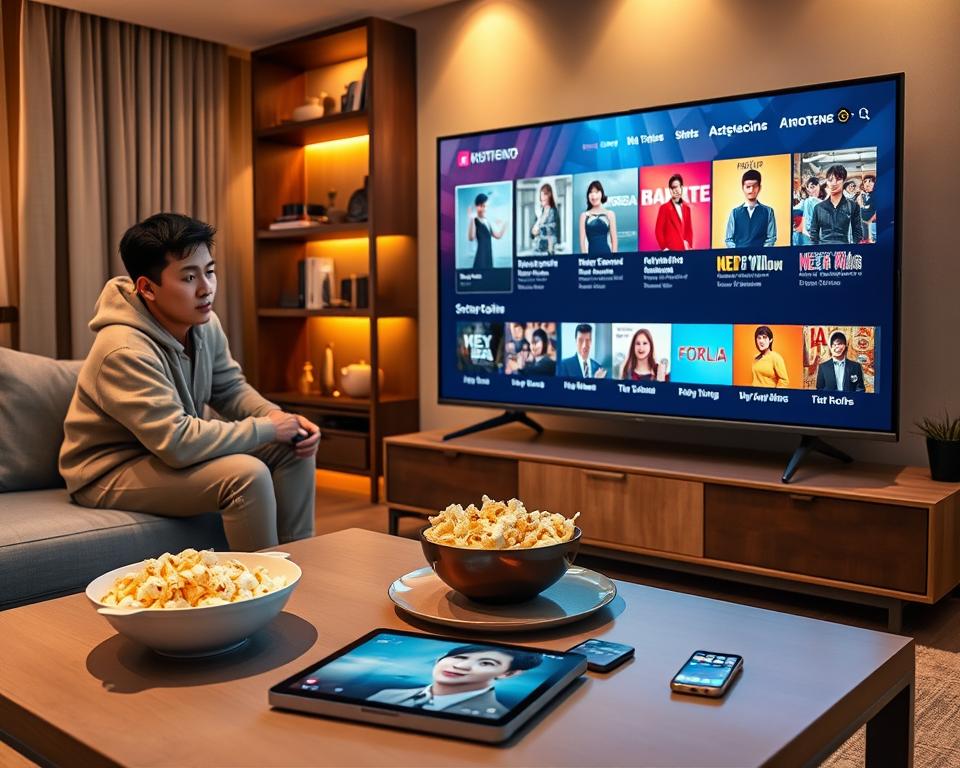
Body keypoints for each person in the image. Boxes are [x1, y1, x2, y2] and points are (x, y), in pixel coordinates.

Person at [59, 213, 320, 551]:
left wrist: (283, 421)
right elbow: (178, 443)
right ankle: (259, 589)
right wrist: (269, 428)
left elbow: (229, 388)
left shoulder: (204, 323)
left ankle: (304, 564)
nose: (206, 288)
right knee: (246, 475)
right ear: (147, 288)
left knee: (294, 447)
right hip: (109, 471)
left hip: (163, 454)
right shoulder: (122, 349)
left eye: (210, 272)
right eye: (189, 277)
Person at [367, 645, 543, 717]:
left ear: (508, 673)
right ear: (440, 659)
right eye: (460, 657)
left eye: (486, 663)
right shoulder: (388, 695)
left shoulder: (496, 716)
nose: (461, 666)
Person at [810, 164, 863, 245]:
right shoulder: (818, 208)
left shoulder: (853, 206)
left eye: (838, 179)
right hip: (823, 252)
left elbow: (857, 234)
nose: (834, 183)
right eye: (830, 180)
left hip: (844, 250)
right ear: (827, 182)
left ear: (844, 181)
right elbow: (814, 235)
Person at [724, 169, 777, 248]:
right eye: (748, 187)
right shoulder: (735, 213)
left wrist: (761, 254)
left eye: (754, 186)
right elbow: (729, 239)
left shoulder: (768, 211)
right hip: (739, 258)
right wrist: (738, 253)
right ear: (743, 188)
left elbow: (771, 238)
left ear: (759, 188)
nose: (751, 190)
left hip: (760, 258)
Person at [466, 193, 507, 269]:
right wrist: (471, 218)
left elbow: (498, 236)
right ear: (478, 207)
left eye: (486, 206)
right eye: (483, 206)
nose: (485, 209)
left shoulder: (487, 221)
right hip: (481, 258)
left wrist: (506, 223)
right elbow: (471, 237)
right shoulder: (475, 221)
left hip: (488, 257)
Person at [654, 174, 694, 251]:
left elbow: (689, 230)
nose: (675, 190)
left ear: (681, 187)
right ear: (670, 190)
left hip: (684, 252)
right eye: (672, 188)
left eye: (677, 187)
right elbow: (658, 231)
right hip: (671, 253)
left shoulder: (687, 208)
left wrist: (690, 246)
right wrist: (664, 248)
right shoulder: (664, 208)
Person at [579, 180, 618, 254]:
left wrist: (614, 260)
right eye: (591, 192)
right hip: (590, 259)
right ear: (588, 196)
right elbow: (582, 244)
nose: (593, 195)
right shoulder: (584, 216)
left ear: (601, 193)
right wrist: (585, 260)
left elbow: (614, 241)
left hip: (607, 257)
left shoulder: (610, 214)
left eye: (596, 192)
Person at [531, 183, 561, 254]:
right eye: (541, 195)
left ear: (549, 195)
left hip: (547, 251)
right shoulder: (539, 212)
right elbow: (532, 233)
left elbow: (553, 231)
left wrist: (540, 229)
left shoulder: (553, 212)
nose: (542, 198)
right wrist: (539, 220)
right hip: (537, 250)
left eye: (544, 195)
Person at [797, 176, 822, 245]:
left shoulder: (817, 201)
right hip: (809, 234)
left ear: (819, 186)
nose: (812, 190)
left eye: (813, 187)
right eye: (810, 187)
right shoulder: (808, 201)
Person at [859, 175, 876, 243]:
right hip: (864, 222)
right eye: (865, 181)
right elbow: (862, 206)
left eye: (870, 181)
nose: (867, 183)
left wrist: (869, 222)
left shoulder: (876, 195)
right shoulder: (865, 195)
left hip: (872, 224)